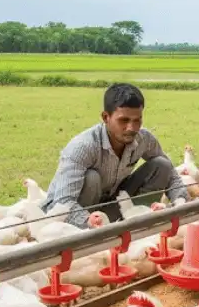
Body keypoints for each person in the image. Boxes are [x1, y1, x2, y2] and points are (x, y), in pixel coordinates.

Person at [41, 83, 189, 227]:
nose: (132, 128)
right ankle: (91, 235)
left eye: (137, 120)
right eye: (124, 120)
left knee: (162, 165)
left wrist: (181, 201)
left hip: (113, 205)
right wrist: (90, 222)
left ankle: (139, 222)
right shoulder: (82, 147)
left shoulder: (144, 139)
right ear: (106, 117)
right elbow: (62, 203)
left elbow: (171, 175)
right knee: (92, 178)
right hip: (81, 217)